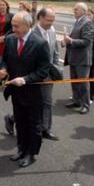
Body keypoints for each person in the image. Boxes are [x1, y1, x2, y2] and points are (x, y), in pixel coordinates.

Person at [0, 11, 50, 168]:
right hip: (16, 91)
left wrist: (26, 79)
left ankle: (30, 153)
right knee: (20, 122)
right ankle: (21, 149)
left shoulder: (40, 43)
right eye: (12, 25)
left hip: (33, 92)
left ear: (27, 25)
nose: (13, 29)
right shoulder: (11, 40)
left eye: (16, 26)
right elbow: (4, 60)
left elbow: (43, 71)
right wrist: (3, 69)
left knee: (33, 124)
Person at [34, 8, 61, 140]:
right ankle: (12, 119)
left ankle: (46, 129)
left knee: (47, 102)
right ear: (40, 18)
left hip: (48, 74)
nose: (51, 23)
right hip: (35, 76)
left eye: (52, 20)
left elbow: (55, 52)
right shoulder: (32, 33)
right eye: (48, 20)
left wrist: (56, 68)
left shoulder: (52, 31)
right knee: (33, 104)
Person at [63, 2, 94, 114]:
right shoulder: (76, 22)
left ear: (83, 11)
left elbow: (86, 41)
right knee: (74, 81)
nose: (74, 11)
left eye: (76, 9)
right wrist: (66, 41)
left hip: (82, 59)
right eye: (74, 9)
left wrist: (71, 41)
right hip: (73, 57)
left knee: (83, 83)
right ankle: (76, 100)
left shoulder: (87, 23)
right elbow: (72, 37)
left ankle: (85, 104)